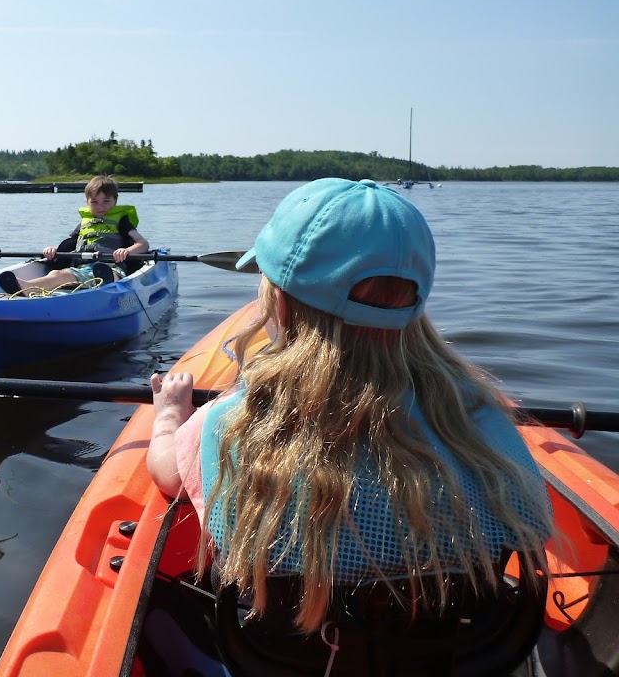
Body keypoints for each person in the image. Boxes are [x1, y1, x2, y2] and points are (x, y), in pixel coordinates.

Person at [147, 177, 552, 635]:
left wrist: (168, 416)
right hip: (458, 648)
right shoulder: (477, 419)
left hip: (286, 657)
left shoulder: (232, 422)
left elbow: (166, 472)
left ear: (278, 303)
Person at [0, 175, 149, 295]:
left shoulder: (122, 222)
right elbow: (71, 244)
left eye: (106, 201)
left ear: (115, 201)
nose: (100, 206)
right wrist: (54, 250)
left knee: (110, 275)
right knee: (58, 274)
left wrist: (127, 251)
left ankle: (105, 284)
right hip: (83, 269)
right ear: (87, 202)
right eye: (94, 202)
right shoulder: (84, 223)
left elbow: (143, 244)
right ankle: (25, 287)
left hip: (111, 268)